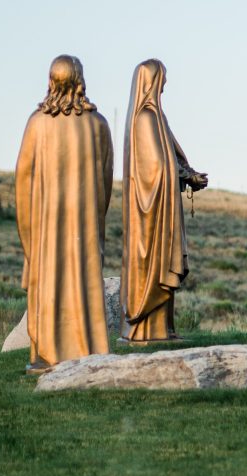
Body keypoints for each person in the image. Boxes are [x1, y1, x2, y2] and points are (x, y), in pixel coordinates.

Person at [15, 55, 113, 372]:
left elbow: (23, 183)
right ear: (80, 80)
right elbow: (105, 182)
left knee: (49, 281)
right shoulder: (98, 125)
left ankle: (45, 353)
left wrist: (28, 237)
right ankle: (87, 347)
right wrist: (95, 220)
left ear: (50, 81)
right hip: (83, 226)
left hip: (46, 228)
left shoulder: (37, 123)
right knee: (82, 279)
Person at [121, 59, 208, 343]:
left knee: (163, 266)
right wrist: (182, 174)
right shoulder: (145, 119)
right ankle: (146, 330)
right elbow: (156, 166)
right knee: (153, 267)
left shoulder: (158, 118)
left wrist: (189, 175)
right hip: (152, 210)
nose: (166, 84)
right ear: (152, 81)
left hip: (164, 205)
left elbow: (169, 160)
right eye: (163, 78)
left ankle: (162, 330)